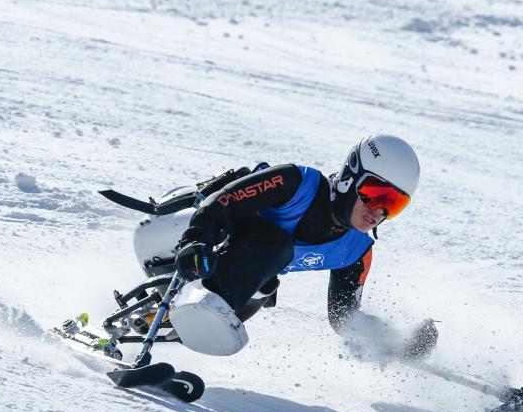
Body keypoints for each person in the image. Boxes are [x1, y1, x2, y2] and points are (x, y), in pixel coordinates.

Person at [166, 133, 438, 358]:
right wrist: (196, 239)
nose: (378, 211)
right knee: (276, 245)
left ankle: (183, 320)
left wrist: (391, 342)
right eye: (376, 195)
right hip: (192, 238)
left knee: (267, 285)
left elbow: (345, 316)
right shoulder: (297, 184)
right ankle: (196, 309)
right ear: (351, 177)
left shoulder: (355, 249)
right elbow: (223, 200)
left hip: (235, 287)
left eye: (393, 204)